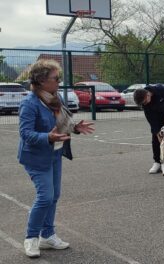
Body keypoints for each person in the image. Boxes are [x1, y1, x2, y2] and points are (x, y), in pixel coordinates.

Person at [18, 59, 94, 258]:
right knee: (45, 197)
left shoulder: (54, 97)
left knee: (54, 196)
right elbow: (26, 134)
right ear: (42, 80)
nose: (59, 81)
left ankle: (47, 235)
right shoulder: (29, 103)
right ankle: (31, 238)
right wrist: (47, 137)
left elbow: (63, 120)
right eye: (55, 78)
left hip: (55, 153)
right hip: (36, 157)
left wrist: (74, 127)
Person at [133, 84, 164, 173]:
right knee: (155, 139)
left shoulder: (160, 90)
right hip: (155, 118)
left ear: (148, 95)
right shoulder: (145, 105)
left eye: (144, 102)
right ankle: (157, 162)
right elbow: (152, 121)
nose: (144, 104)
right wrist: (157, 133)